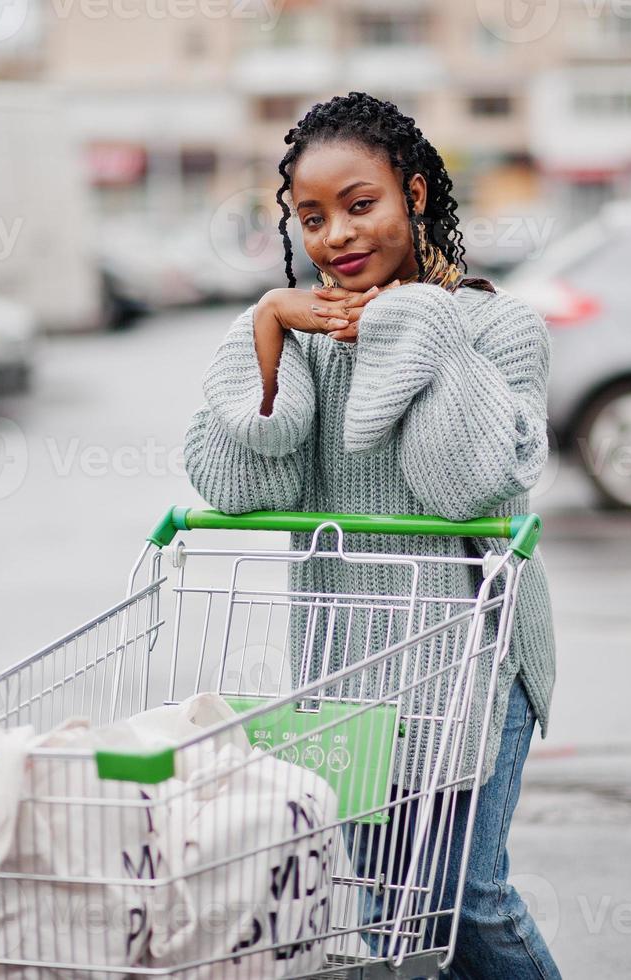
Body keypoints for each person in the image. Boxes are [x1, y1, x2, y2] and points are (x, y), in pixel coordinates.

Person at [182, 91, 560, 980]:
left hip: (473, 654)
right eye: (311, 218)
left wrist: (411, 323)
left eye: (361, 205)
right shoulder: (308, 340)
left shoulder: (501, 328)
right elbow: (239, 484)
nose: (337, 237)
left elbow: (464, 486)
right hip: (347, 662)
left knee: (464, 896)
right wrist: (266, 328)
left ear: (415, 196)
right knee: (391, 911)